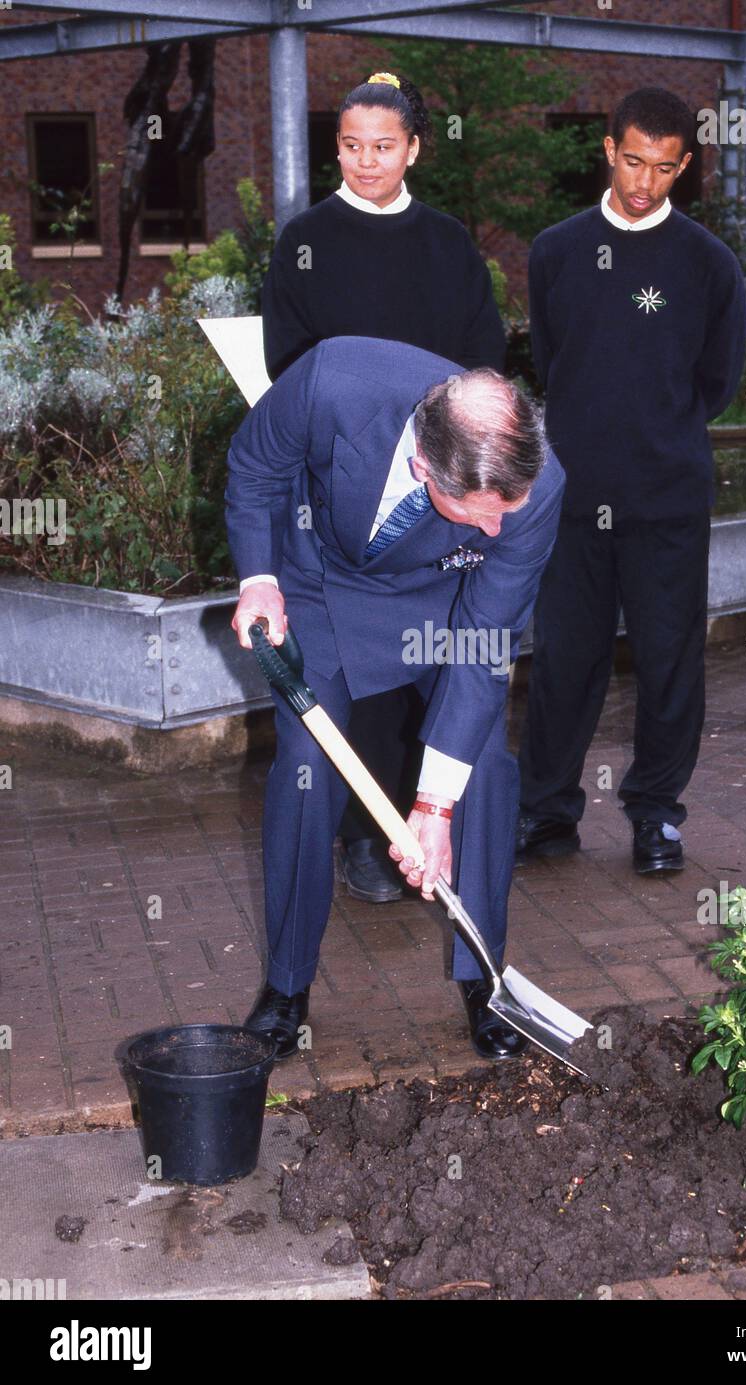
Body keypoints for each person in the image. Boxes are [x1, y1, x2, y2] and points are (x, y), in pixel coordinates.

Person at [225, 335, 564, 1061]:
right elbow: (255, 467)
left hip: (445, 601)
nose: (500, 527)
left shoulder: (534, 491)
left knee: (487, 769)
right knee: (306, 771)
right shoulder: (331, 382)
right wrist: (259, 576)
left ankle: (484, 978)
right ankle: (287, 985)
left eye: (511, 508)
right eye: (479, 511)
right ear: (423, 469)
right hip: (318, 580)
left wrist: (433, 805)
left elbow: (483, 648)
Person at [259, 73, 505, 907]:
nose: (368, 162)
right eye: (352, 146)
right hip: (343, 487)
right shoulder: (304, 239)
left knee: (429, 667)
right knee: (356, 675)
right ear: (337, 147)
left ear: (414, 149)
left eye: (385, 147)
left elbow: (483, 359)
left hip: (438, 493)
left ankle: (428, 823)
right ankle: (366, 836)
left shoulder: (447, 243)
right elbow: (286, 365)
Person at [515, 86, 746, 873]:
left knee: (668, 660)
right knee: (562, 662)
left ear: (683, 168)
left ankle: (656, 816)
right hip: (572, 498)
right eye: (634, 160)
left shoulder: (709, 265)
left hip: (667, 499)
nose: (645, 182)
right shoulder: (555, 251)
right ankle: (546, 813)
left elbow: (715, 384)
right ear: (608, 150)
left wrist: (654, 434)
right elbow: (554, 363)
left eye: (666, 168)